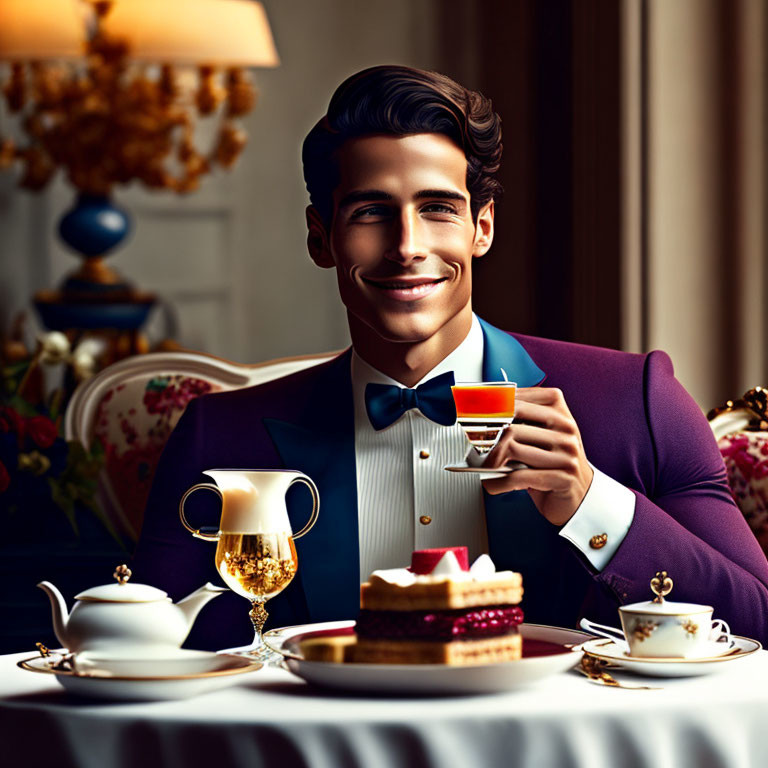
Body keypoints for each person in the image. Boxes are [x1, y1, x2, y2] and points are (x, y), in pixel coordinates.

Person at [133, 65, 768, 651]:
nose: (407, 246)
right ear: (319, 237)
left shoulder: (637, 403)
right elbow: (161, 658)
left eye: (437, 209)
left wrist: (589, 501)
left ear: (482, 228)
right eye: (370, 212)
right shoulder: (220, 437)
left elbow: (757, 621)